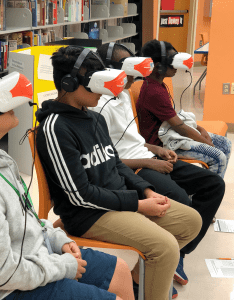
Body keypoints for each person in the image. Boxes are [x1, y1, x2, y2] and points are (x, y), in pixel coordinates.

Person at [0, 75, 136, 300]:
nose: (10, 106)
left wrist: (57, 239)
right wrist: (63, 267)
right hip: (5, 291)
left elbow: (26, 219)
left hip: (34, 261)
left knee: (119, 270)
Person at [36, 45, 203, 300]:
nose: (102, 91)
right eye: (94, 83)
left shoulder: (94, 119)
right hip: (89, 214)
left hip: (119, 200)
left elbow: (116, 164)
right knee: (166, 247)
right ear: (69, 84)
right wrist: (138, 205)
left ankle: (144, 276)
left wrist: (146, 191)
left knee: (191, 222)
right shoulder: (55, 128)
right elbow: (80, 196)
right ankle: (151, 282)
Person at [92, 42, 226, 297]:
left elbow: (132, 139)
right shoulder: (99, 106)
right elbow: (110, 158)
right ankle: (156, 263)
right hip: (133, 169)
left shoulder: (120, 95)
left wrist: (155, 150)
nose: (135, 74)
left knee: (214, 185)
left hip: (147, 156)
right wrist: (149, 162)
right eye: (128, 68)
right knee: (179, 200)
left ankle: (178, 253)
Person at [136, 39, 232, 179]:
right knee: (218, 157)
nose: (176, 67)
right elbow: (179, 126)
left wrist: (200, 129)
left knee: (225, 144)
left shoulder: (158, 84)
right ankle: (206, 194)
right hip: (165, 144)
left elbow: (174, 119)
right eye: (172, 62)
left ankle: (208, 187)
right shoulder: (154, 91)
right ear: (158, 67)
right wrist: (205, 142)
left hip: (172, 134)